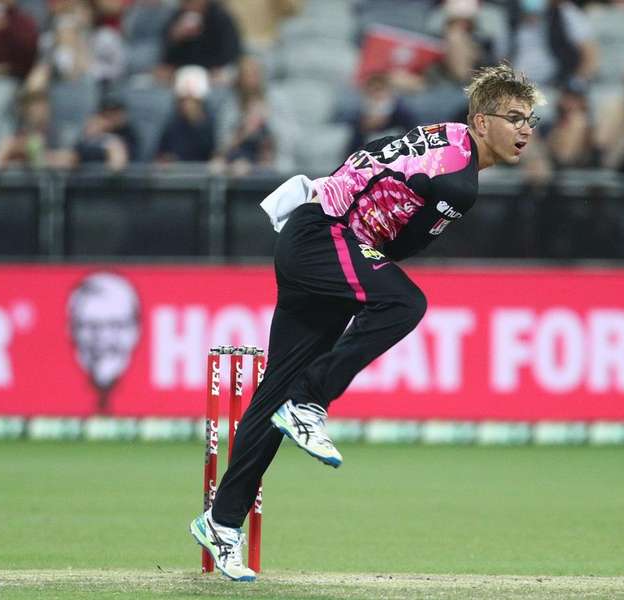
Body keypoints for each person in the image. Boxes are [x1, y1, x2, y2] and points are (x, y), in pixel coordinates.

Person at [189, 62, 542, 581]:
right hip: (323, 238)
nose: (527, 130)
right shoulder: (459, 180)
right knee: (404, 304)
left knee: (270, 398)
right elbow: (403, 244)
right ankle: (312, 400)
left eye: (531, 120)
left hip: (315, 236)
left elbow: (371, 164)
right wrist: (358, 249)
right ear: (482, 122)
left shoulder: (444, 139)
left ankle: (220, 523)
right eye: (515, 118)